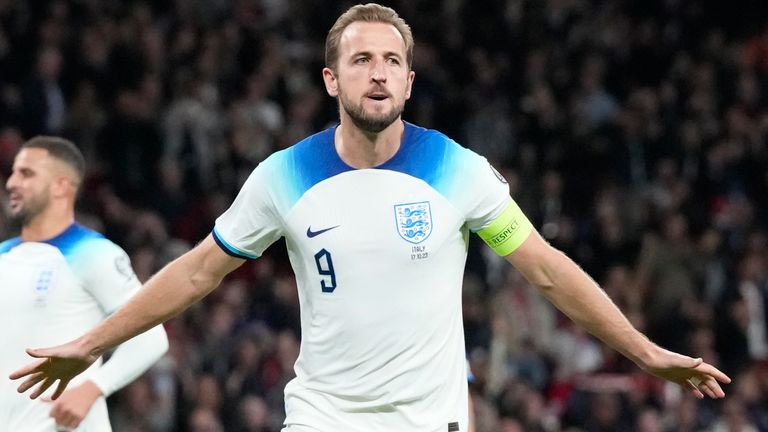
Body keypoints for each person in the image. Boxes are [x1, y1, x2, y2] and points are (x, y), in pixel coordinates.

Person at [10, 4, 730, 432]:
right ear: (332, 79)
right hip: (323, 418)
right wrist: (91, 343)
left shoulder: (459, 172)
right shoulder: (284, 177)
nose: (378, 71)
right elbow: (199, 271)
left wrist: (642, 353)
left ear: (410, 80)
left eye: (392, 60)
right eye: (361, 60)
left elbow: (544, 268)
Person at [1, 136, 169, 431]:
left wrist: (93, 387)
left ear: (61, 186)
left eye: (26, 173)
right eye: (14, 172)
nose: (12, 182)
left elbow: (151, 337)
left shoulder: (95, 253)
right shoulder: (3, 255)